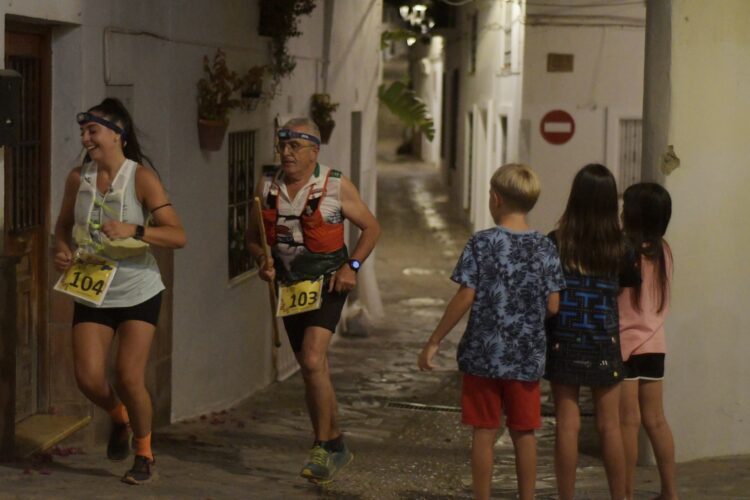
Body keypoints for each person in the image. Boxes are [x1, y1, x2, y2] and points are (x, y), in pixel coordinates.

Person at [53, 98, 186, 485]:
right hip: (93, 288)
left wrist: (137, 230)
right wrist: (62, 248)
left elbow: (178, 235)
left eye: (92, 131)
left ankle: (144, 454)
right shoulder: (78, 178)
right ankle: (119, 417)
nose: (85, 138)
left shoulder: (140, 178)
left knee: (129, 376)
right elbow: (61, 226)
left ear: (117, 134)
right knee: (89, 378)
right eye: (83, 132)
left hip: (137, 289)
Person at [418, 164, 565, 500]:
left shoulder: (482, 243)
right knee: (524, 432)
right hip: (525, 357)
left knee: (484, 431)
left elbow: (465, 296)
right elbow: (554, 305)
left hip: (483, 355)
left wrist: (434, 341)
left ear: (495, 199)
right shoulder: (545, 248)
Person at [247, 118, 380, 484]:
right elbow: (253, 238)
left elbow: (371, 227)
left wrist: (352, 266)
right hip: (291, 289)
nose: (286, 153)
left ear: (314, 151)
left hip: (329, 283)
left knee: (311, 357)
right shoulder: (268, 187)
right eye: (283, 146)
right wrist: (263, 260)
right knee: (312, 369)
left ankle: (322, 446)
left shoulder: (335, 185)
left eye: (294, 147)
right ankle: (336, 443)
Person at [544, 164, 640, 500]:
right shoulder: (622, 248)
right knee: (609, 425)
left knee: (567, 425)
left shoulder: (556, 243)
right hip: (604, 341)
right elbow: (628, 288)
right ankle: (620, 497)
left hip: (564, 339)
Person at [618, 183, 677, 500]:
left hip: (625, 347)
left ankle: (625, 494)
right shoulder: (664, 250)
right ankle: (670, 492)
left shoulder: (625, 252)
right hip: (655, 345)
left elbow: (620, 308)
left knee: (628, 422)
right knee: (656, 419)